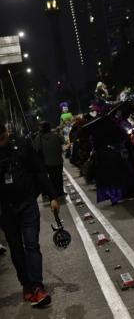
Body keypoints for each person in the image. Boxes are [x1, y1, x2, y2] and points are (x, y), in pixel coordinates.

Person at [0, 117, 61, 307]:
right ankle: (26, 284)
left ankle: (37, 287)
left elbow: (39, 171)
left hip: (27, 204)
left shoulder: (22, 144)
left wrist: (52, 196)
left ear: (6, 133)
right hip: (6, 210)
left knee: (32, 245)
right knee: (16, 250)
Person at [33, 121, 65, 199]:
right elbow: (63, 141)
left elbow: (36, 149)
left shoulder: (39, 138)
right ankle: (60, 192)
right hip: (58, 161)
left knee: (51, 178)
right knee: (59, 177)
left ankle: (53, 193)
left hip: (47, 162)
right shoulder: (56, 135)